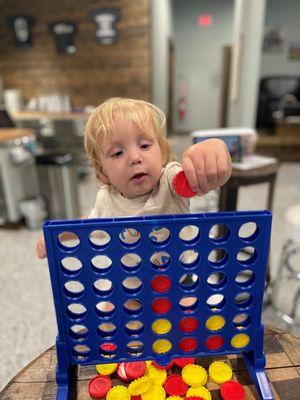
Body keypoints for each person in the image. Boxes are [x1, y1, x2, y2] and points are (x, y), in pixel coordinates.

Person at [36, 97, 231, 259]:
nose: (135, 158)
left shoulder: (170, 181)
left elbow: (202, 178)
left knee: (192, 305)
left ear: (161, 152)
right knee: (109, 307)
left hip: (179, 280)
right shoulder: (107, 199)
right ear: (101, 169)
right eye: (118, 153)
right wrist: (57, 235)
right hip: (131, 285)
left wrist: (213, 152)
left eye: (145, 146)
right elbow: (88, 225)